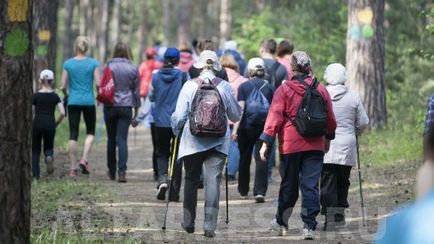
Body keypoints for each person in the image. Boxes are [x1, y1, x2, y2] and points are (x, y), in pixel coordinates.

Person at [258, 51, 336, 240]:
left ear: (292, 68)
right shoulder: (321, 88)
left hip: (291, 145)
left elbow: (275, 117)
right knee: (310, 185)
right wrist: (327, 139)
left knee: (289, 185)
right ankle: (309, 226)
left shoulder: (284, 90)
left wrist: (266, 142)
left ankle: (281, 222)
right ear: (309, 66)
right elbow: (331, 119)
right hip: (315, 144)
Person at [171, 50, 241, 238]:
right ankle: (209, 226)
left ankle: (188, 222)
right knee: (213, 182)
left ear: (200, 66)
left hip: (192, 141)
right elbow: (235, 115)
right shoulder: (225, 86)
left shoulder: (188, 86)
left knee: (191, 180)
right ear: (217, 66)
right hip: (218, 142)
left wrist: (176, 131)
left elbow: (179, 116)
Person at [320, 63, 369, 230]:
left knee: (327, 181)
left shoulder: (321, 94)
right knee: (342, 180)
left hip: (325, 143)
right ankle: (338, 217)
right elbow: (363, 122)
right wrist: (355, 131)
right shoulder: (353, 96)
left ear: (327, 76)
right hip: (346, 143)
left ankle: (329, 218)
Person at [232, 58, 274, 203]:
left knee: (244, 158)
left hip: (245, 128)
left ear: (249, 70)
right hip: (264, 128)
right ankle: (260, 191)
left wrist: (235, 130)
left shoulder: (244, 87)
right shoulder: (270, 87)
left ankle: (243, 190)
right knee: (262, 158)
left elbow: (241, 109)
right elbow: (274, 110)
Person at [148, 47, 187, 201]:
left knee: (162, 152)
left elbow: (151, 96)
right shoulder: (183, 76)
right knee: (177, 155)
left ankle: (163, 179)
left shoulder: (156, 76)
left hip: (160, 121)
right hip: (177, 122)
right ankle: (174, 193)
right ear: (178, 60)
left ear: (164, 59)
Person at [61, 36, 100, 177]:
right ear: (86, 48)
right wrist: (100, 95)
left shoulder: (68, 64)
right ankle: (84, 159)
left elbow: (62, 86)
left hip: (73, 101)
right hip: (89, 102)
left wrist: (66, 96)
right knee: (90, 132)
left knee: (73, 134)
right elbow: (98, 84)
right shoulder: (93, 63)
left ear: (75, 47)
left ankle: (72, 169)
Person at [101, 43, 140, 183]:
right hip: (126, 106)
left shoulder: (108, 66)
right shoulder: (133, 68)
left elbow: (103, 84)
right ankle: (122, 172)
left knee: (111, 139)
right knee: (122, 140)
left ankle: (111, 171)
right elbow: (136, 92)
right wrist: (136, 111)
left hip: (110, 105)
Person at [32, 70, 65, 179]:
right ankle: (49, 156)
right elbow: (62, 113)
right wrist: (56, 123)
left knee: (35, 149)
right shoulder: (55, 96)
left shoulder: (35, 96)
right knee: (48, 145)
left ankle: (36, 176)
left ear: (40, 81)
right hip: (50, 123)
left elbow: (30, 111)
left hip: (37, 123)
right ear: (52, 81)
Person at [220, 54, 248, 181]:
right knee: (234, 145)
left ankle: (218, 170)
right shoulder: (242, 80)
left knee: (218, 145)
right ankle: (231, 172)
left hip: (219, 118)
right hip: (237, 118)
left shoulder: (217, 79)